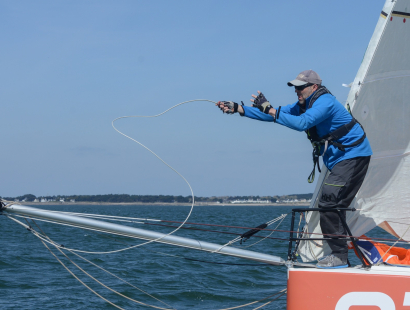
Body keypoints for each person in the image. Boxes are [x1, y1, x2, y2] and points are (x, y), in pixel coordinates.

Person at [217, 70, 372, 268]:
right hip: (338, 160)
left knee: (329, 201)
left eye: (301, 87)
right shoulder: (304, 104)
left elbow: (302, 124)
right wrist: (239, 109)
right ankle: (341, 253)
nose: (297, 91)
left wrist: (271, 110)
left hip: (354, 156)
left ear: (314, 87)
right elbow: (273, 115)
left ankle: (339, 256)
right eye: (295, 87)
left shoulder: (325, 102)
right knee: (332, 203)